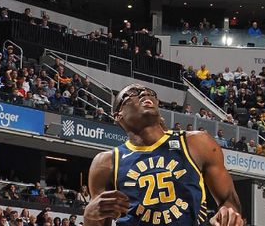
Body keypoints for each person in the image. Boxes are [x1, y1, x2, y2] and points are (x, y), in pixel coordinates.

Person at [83, 84, 244, 226]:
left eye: (149, 92)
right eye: (132, 93)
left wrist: (228, 213)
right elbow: (96, 220)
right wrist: (89, 215)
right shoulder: (106, 162)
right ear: (118, 115)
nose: (144, 94)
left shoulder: (198, 143)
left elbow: (229, 199)